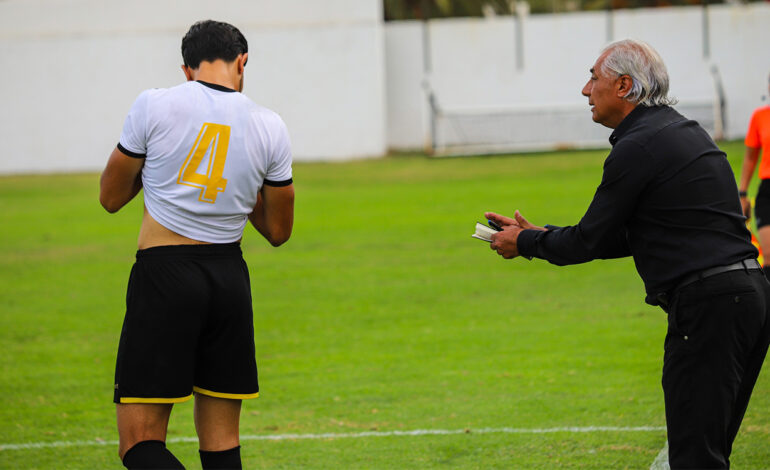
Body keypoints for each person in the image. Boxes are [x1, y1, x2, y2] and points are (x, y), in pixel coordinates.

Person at [485, 39, 770, 469]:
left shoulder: (637, 147)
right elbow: (635, 235)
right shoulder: (684, 131)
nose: (585, 89)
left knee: (695, 458)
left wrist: (523, 243)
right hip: (750, 297)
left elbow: (589, 241)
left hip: (709, 307)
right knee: (708, 452)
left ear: (623, 85)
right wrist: (543, 235)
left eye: (593, 77)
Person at [99, 20, 295, 469]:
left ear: (186, 69)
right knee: (222, 442)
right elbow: (279, 231)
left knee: (140, 443)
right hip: (229, 279)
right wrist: (237, 188)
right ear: (242, 60)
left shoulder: (154, 104)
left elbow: (110, 198)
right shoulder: (270, 125)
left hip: (164, 275)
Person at [738, 74, 770, 275]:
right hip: (767, 189)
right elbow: (750, 159)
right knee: (768, 256)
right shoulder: (760, 117)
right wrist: (742, 193)